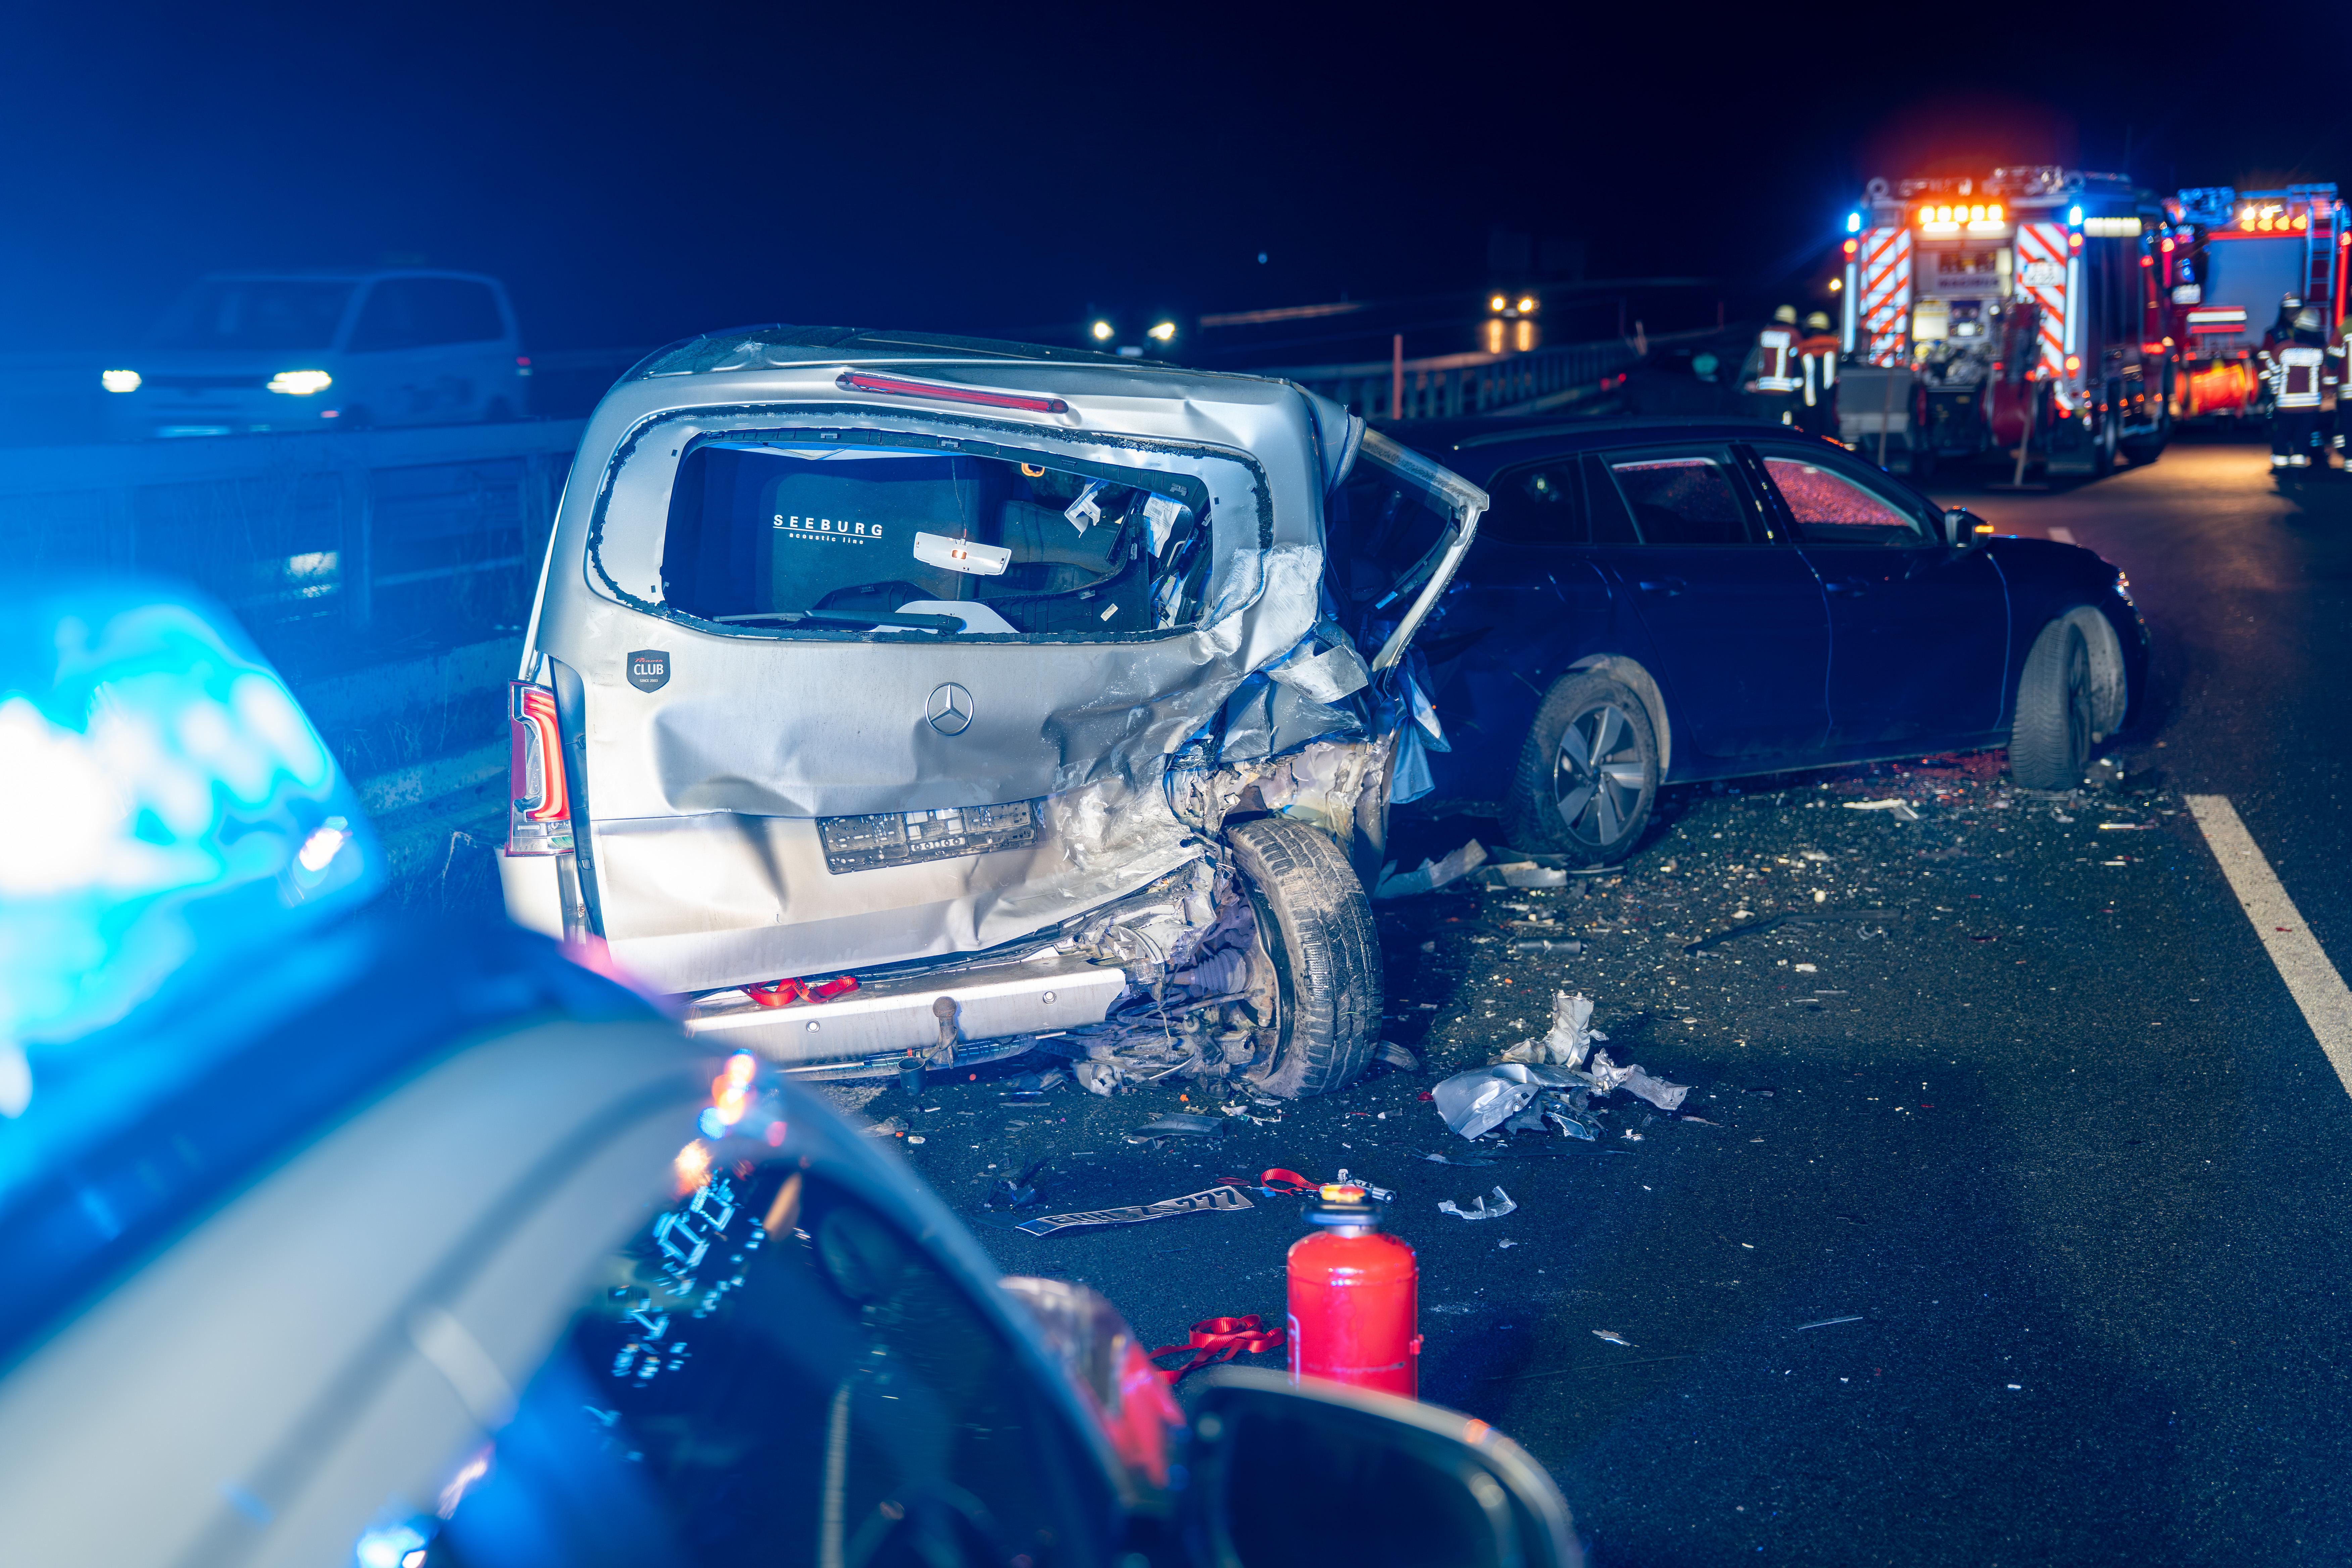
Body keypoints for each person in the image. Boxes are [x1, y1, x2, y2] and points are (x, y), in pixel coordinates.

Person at [2258, 305, 2334, 469]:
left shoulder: (2283, 348)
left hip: (2286, 406)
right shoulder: (2320, 351)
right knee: (2302, 439)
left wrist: (2275, 392)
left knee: (2282, 437)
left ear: (2297, 328)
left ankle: (2281, 469)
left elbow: (2271, 370)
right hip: (2311, 407)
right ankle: (2298, 471)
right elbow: (2326, 377)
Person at [1745, 304, 1803, 425]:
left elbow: (1756, 357)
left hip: (1763, 388)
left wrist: (1750, 379)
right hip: (1785, 390)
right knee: (1784, 427)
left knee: (1765, 425)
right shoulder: (1795, 335)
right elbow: (1798, 361)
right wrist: (1799, 389)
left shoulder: (1763, 333)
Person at [1795, 309, 1840, 438]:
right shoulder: (1835, 343)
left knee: (1812, 435)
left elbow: (1798, 373)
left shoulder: (1802, 346)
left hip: (1809, 399)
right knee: (1830, 435)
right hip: (1831, 398)